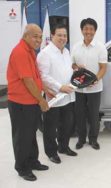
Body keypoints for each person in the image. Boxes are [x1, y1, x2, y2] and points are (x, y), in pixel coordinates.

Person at [7, 24, 50, 181]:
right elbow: (28, 81)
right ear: (25, 36)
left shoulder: (30, 51)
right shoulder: (20, 52)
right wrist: (41, 100)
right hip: (21, 103)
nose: (38, 40)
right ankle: (22, 168)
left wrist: (46, 91)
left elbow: (37, 77)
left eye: (40, 36)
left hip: (31, 101)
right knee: (22, 136)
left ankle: (32, 161)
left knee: (31, 134)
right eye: (35, 36)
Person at [37, 24, 77, 164]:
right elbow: (43, 76)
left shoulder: (66, 51)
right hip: (53, 97)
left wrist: (76, 72)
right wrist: (60, 87)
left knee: (67, 124)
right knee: (50, 127)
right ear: (52, 35)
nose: (62, 38)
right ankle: (51, 152)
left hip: (68, 96)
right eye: (59, 35)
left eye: (64, 35)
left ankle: (63, 147)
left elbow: (68, 70)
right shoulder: (45, 53)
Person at [72, 18, 107, 150]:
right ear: (82, 30)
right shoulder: (75, 47)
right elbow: (72, 64)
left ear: (95, 31)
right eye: (86, 28)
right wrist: (76, 66)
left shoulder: (100, 48)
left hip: (94, 88)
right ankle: (81, 139)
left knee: (93, 115)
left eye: (91, 29)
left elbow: (103, 68)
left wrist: (95, 79)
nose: (88, 31)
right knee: (79, 115)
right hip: (79, 88)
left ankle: (93, 140)